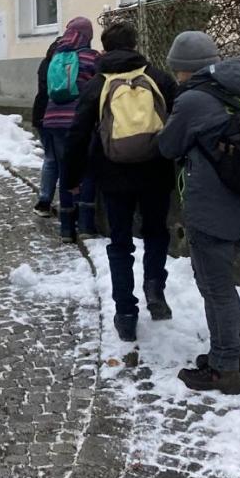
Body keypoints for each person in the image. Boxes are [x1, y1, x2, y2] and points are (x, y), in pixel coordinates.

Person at [158, 32, 240, 395]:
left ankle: (224, 369)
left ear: (184, 68)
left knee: (215, 289)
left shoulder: (192, 99)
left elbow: (168, 145)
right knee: (224, 286)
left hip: (210, 208)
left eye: (176, 68)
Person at [63, 22, 177, 343]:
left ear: (106, 48)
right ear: (135, 44)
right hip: (156, 170)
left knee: (120, 242)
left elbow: (77, 134)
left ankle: (126, 313)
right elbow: (179, 120)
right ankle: (155, 287)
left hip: (113, 175)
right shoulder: (158, 78)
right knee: (156, 232)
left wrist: (72, 178)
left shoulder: (97, 84)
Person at [41, 16, 99, 242]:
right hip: (79, 122)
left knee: (65, 169)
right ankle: (85, 225)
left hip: (53, 120)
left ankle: (66, 228)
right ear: (87, 36)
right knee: (87, 170)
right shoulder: (91, 57)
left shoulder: (56, 56)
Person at [31, 38, 59, 216]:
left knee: (50, 158)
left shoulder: (45, 63)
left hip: (41, 115)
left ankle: (44, 201)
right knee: (57, 159)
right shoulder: (62, 65)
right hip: (55, 116)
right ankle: (63, 203)